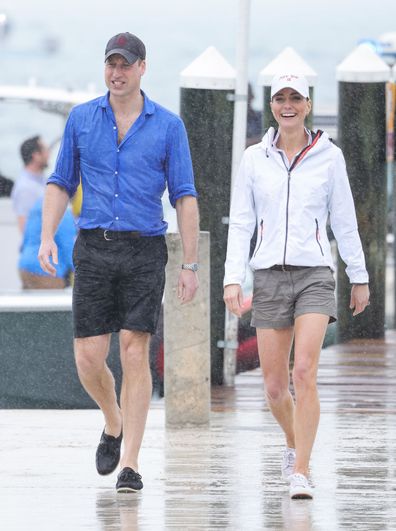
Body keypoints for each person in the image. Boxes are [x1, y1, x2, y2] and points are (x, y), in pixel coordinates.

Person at [38, 32, 199, 493]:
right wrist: (48, 235)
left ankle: (130, 464)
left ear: (143, 68)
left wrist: (189, 264)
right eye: (111, 64)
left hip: (144, 249)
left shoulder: (168, 126)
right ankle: (113, 421)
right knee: (88, 359)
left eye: (126, 65)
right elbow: (60, 180)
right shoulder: (82, 119)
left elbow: (184, 196)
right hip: (93, 246)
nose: (117, 72)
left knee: (134, 349)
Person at [223, 73, 370, 500]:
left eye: (296, 98)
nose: (288, 105)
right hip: (268, 274)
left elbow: (344, 220)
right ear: (272, 106)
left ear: (308, 104)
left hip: (314, 276)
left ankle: (302, 470)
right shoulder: (254, 158)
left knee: (304, 371)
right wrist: (234, 277)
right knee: (274, 386)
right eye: (280, 98)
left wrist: (358, 276)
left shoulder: (330, 156)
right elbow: (242, 223)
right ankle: (292, 442)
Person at [19, 198, 76, 289]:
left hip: (25, 266)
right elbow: (68, 247)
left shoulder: (37, 205)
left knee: (30, 302)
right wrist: (79, 269)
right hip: (47, 269)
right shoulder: (63, 211)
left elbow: (25, 239)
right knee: (53, 302)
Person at [11, 136, 50, 233]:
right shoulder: (25, 188)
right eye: (45, 150)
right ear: (36, 155)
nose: (49, 154)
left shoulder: (42, 180)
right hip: (41, 246)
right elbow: (26, 231)